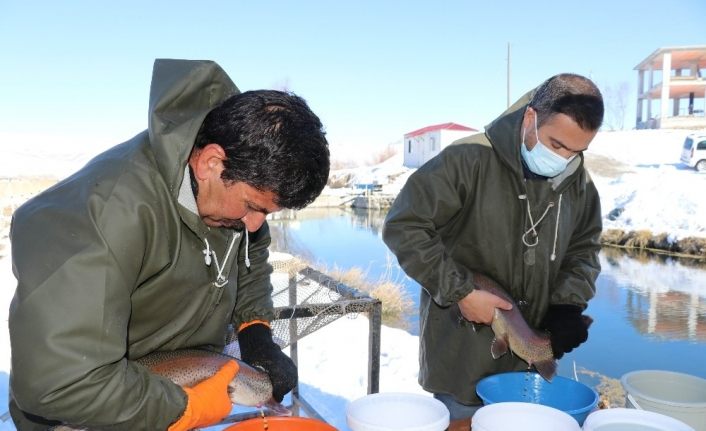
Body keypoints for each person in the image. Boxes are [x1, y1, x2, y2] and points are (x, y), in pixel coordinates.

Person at [8, 59, 330, 430]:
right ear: (211, 163)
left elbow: (250, 256)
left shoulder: (231, 196)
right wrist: (184, 409)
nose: (256, 224)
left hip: (166, 393)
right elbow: (61, 384)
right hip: (85, 413)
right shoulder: (100, 215)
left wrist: (255, 331)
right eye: (254, 207)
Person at [382, 73, 604, 421]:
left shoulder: (579, 181)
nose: (564, 158)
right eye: (557, 145)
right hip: (461, 358)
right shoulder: (467, 159)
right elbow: (404, 226)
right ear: (531, 118)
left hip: (528, 361)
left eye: (578, 151)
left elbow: (584, 249)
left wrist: (567, 305)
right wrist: (461, 292)